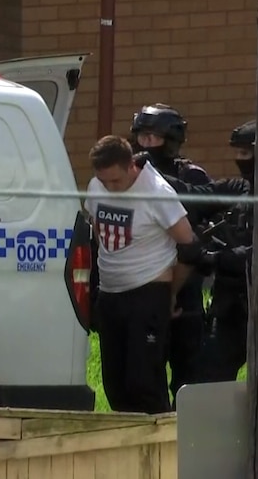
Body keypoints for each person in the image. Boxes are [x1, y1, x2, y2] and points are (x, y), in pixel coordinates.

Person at [84, 135, 196, 414]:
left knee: (143, 381)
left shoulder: (156, 192)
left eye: (116, 181)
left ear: (131, 165)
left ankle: (162, 445)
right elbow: (99, 232)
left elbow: (188, 243)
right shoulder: (96, 186)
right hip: (111, 294)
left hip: (148, 292)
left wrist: (170, 292)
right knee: (114, 384)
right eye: (104, 181)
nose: (110, 188)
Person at [129, 103, 211, 406]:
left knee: (188, 373)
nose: (147, 144)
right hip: (146, 285)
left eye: (154, 137)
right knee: (146, 374)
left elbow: (196, 224)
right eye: (143, 137)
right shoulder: (130, 177)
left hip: (184, 285)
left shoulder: (192, 177)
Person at [176, 119, 256, 383]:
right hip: (229, 306)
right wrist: (149, 174)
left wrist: (214, 259)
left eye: (245, 154)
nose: (238, 160)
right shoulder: (240, 190)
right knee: (207, 376)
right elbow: (195, 195)